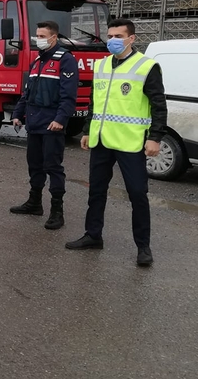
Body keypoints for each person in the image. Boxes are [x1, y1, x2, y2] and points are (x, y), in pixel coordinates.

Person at [65, 18, 167, 267]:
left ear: (132, 39)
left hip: (130, 143)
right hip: (102, 140)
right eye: (110, 36)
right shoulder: (101, 65)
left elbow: (159, 105)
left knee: (137, 194)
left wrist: (155, 138)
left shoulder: (146, 66)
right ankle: (93, 235)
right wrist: (88, 130)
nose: (112, 40)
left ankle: (143, 247)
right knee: (96, 191)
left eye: (118, 36)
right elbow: (94, 103)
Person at [10, 21, 79, 230]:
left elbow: (68, 96)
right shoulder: (37, 60)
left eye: (42, 35)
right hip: (34, 122)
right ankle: (34, 202)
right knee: (35, 165)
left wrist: (60, 119)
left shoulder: (65, 61)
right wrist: (17, 114)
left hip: (52, 125)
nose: (38, 39)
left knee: (53, 167)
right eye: (37, 35)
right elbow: (27, 93)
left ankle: (57, 211)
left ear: (53, 38)